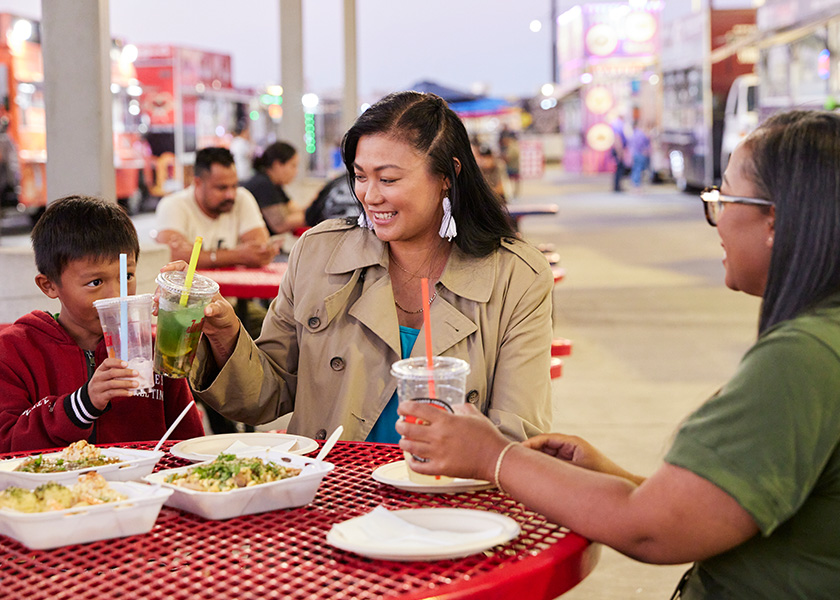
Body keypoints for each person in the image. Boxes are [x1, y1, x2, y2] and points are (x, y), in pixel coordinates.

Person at [396, 110, 840, 598]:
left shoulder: (801, 359)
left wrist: (492, 456)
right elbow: (707, 510)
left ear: (774, 218)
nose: (714, 214)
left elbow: (654, 528)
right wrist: (609, 478)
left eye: (723, 197)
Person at [174, 91, 554, 443]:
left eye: (388, 178)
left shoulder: (514, 276)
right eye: (359, 176)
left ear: (446, 175)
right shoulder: (318, 255)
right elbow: (264, 398)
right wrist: (225, 334)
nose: (370, 197)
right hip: (332, 498)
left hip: (447, 500)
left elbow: (518, 434)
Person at [0, 195, 204, 453]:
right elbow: (5, 443)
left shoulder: (153, 350)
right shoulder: (15, 351)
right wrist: (82, 404)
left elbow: (189, 442)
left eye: (127, 276)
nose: (118, 295)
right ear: (49, 285)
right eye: (95, 282)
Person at [154, 146, 277, 268]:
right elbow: (173, 257)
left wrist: (201, 257)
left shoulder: (242, 197)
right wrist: (237, 255)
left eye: (234, 186)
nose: (230, 194)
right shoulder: (173, 204)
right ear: (197, 183)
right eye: (221, 188)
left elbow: (259, 249)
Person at [242, 141, 306, 236]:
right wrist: (315, 214)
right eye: (293, 166)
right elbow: (280, 225)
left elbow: (295, 210)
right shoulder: (263, 184)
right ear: (277, 165)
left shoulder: (275, 184)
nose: (296, 172)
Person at [628, 120, 651, 191]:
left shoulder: (633, 134)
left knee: (635, 169)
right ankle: (637, 186)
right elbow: (645, 144)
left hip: (634, 153)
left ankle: (634, 184)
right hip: (640, 154)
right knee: (638, 170)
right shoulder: (641, 134)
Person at [610, 113, 628, 192]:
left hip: (617, 149)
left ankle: (617, 186)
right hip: (618, 150)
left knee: (618, 169)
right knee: (619, 169)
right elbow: (617, 139)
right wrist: (620, 153)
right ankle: (617, 186)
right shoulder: (618, 125)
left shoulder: (615, 124)